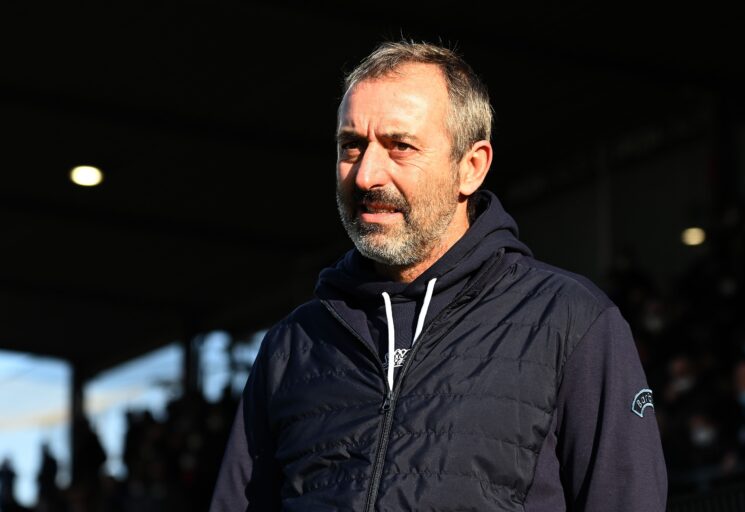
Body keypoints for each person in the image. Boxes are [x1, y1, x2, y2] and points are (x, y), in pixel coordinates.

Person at [209, 39, 667, 511]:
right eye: (351, 146)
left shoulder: (571, 321)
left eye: (400, 146)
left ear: (471, 167)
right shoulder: (291, 346)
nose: (366, 175)